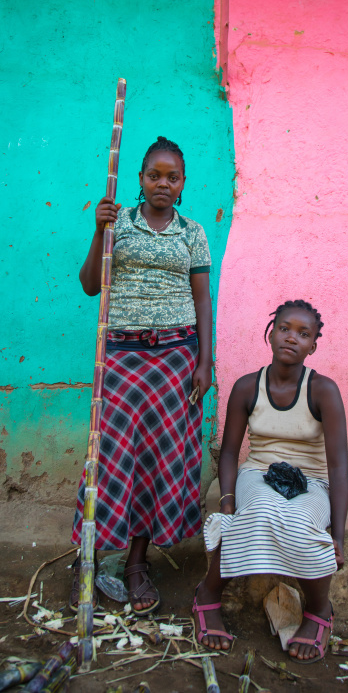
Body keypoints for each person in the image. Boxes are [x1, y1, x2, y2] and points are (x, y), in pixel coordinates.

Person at [70, 136, 213, 616]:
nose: (163, 184)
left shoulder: (193, 232)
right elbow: (91, 285)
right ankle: (87, 561)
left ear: (183, 184)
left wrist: (204, 359)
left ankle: (136, 564)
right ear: (140, 179)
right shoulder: (118, 223)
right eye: (155, 175)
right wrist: (98, 231)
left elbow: (202, 301)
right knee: (109, 459)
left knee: (158, 463)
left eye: (173, 177)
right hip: (123, 355)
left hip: (175, 356)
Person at [192, 299, 348, 663]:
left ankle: (319, 610)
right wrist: (228, 498)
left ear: (313, 345)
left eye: (303, 333)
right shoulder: (248, 387)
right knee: (257, 511)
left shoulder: (323, 390)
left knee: (300, 521)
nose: (291, 338)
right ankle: (208, 595)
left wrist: (338, 535)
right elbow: (229, 452)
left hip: (311, 481)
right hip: (258, 473)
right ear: (271, 333)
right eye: (284, 328)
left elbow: (338, 468)